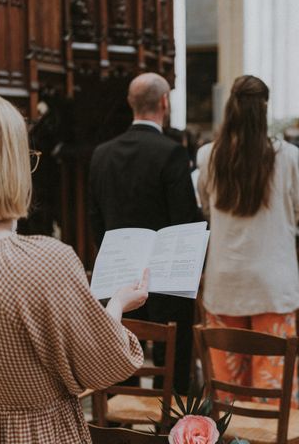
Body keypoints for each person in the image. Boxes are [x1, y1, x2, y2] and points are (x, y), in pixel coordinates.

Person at [0, 90, 148, 443]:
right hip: (36, 433)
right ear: (12, 164)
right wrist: (116, 305)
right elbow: (103, 365)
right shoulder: (43, 261)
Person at [89, 72, 202, 393]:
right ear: (165, 102)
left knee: (119, 356)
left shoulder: (102, 154)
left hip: (118, 277)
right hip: (165, 278)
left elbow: (95, 218)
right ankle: (169, 430)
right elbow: (185, 223)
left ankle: (121, 426)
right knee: (174, 359)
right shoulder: (172, 152)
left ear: (130, 103)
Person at [196, 75, 299, 406]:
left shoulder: (208, 156)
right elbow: (297, 208)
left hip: (225, 278)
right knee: (271, 384)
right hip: (273, 281)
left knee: (227, 384)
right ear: (264, 109)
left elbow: (205, 207)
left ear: (231, 106)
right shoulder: (287, 156)